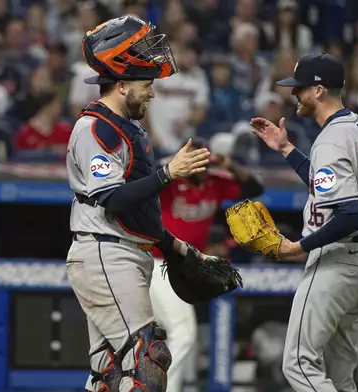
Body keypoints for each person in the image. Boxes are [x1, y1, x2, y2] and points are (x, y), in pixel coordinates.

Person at [64, 16, 214, 392]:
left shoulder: (127, 127)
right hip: (105, 254)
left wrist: (175, 247)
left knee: (108, 375)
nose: (151, 93)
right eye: (146, 85)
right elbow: (113, 200)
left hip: (120, 252)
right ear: (122, 84)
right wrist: (169, 173)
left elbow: (138, 213)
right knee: (149, 358)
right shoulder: (96, 128)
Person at [249, 52, 358, 392]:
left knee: (298, 362)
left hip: (335, 261)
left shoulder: (331, 138)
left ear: (319, 90)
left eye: (301, 88)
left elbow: (349, 213)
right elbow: (330, 186)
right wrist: (286, 150)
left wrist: (298, 247)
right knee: (339, 376)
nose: (294, 94)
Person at [149, 137, 264, 392]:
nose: (199, 166)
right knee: (182, 332)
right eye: (194, 159)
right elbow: (143, 177)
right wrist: (174, 162)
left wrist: (229, 165)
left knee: (166, 334)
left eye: (203, 160)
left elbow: (254, 188)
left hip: (184, 266)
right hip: (156, 263)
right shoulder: (169, 181)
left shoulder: (215, 182)